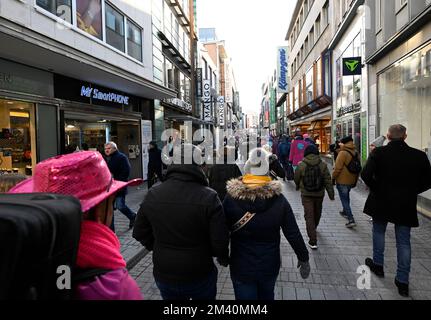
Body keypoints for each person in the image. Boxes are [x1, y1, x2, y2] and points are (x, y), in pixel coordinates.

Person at [8, 151, 143, 300]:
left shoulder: (16, 253)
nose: (112, 210)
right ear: (99, 211)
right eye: (110, 202)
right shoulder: (115, 288)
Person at [133, 144, 230, 300]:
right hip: (199, 270)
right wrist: (221, 256)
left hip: (164, 271)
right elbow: (220, 238)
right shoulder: (209, 197)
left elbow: (138, 231)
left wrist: (158, 246)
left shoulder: (153, 194)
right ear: (199, 165)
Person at [222, 147, 310, 300]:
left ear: (247, 169)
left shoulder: (231, 198)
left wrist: (222, 255)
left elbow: (220, 230)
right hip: (269, 264)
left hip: (241, 265)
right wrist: (303, 257)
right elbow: (292, 232)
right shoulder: (279, 200)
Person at [361, 124, 431, 297]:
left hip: (381, 201)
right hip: (405, 204)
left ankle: (378, 264)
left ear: (388, 136)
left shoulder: (378, 153)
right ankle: (402, 281)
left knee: (378, 232)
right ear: (405, 136)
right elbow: (428, 181)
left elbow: (365, 175)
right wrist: (412, 190)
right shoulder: (419, 156)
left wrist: (377, 188)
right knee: (404, 241)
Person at [294, 145, 335, 249]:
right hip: (319, 194)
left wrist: (298, 186)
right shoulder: (323, 165)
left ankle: (312, 241)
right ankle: (313, 227)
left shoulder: (301, 164)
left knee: (309, 216)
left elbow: (296, 178)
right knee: (317, 213)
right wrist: (331, 194)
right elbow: (327, 180)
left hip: (306, 194)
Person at [104, 141, 137, 231]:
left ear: (115, 148)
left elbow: (126, 171)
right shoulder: (106, 158)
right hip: (108, 188)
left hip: (119, 186)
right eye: (105, 149)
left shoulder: (121, 157)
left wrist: (117, 182)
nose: (106, 150)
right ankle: (111, 230)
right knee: (110, 209)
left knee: (120, 205)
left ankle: (133, 216)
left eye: (109, 148)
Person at [332, 136, 360, 228]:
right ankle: (345, 211)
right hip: (352, 180)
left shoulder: (343, 153)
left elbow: (337, 168)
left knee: (344, 199)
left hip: (342, 180)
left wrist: (333, 178)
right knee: (346, 196)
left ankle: (351, 219)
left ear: (343, 143)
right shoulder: (355, 152)